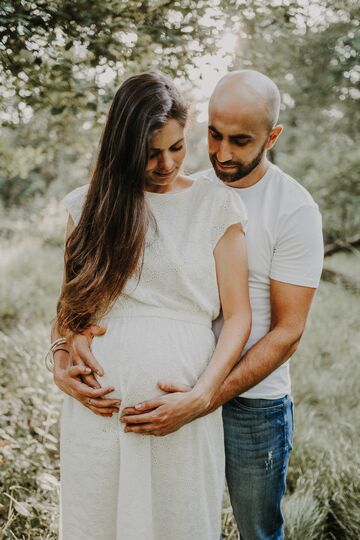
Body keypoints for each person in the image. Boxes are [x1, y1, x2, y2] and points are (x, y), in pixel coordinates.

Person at [54, 69, 324, 539]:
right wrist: (60, 353)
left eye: (239, 141)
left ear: (271, 136)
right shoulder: (146, 193)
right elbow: (75, 303)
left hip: (250, 399)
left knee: (255, 529)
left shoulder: (290, 208)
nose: (220, 153)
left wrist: (202, 397)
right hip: (131, 408)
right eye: (212, 136)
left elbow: (285, 330)